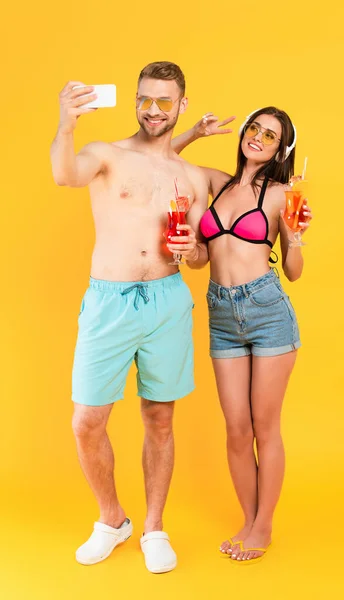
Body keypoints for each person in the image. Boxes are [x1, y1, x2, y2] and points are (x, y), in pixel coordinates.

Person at [50, 62, 209, 574]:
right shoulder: (106, 154)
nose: (154, 109)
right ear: (136, 100)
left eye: (165, 101)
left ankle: (154, 527)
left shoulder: (190, 176)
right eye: (146, 98)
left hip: (167, 300)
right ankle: (111, 519)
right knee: (87, 422)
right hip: (109, 302)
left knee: (159, 417)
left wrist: (193, 248)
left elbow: (202, 254)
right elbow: (63, 173)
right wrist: (67, 123)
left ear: (181, 105)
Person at [170, 107, 313, 564]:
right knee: (236, 429)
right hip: (221, 313)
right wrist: (193, 132)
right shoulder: (215, 182)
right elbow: (158, 158)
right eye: (255, 128)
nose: (258, 137)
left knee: (264, 428)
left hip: (268, 310)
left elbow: (293, 272)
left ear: (280, 150)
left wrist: (298, 237)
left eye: (270, 135)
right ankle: (248, 519)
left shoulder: (282, 195)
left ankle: (263, 525)